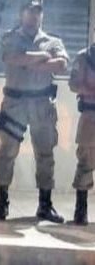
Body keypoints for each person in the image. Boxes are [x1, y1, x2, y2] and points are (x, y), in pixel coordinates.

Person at [0, 0, 67, 223]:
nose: (34, 16)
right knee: (7, 152)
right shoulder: (11, 38)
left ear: (41, 16)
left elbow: (61, 64)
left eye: (37, 12)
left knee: (45, 154)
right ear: (21, 14)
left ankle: (45, 205)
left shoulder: (53, 41)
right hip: (15, 104)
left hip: (42, 104)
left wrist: (29, 62)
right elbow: (11, 58)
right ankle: (2, 204)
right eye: (30, 12)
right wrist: (43, 57)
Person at [66, 30, 95, 225]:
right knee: (86, 162)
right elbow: (74, 84)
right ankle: (81, 210)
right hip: (90, 115)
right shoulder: (84, 57)